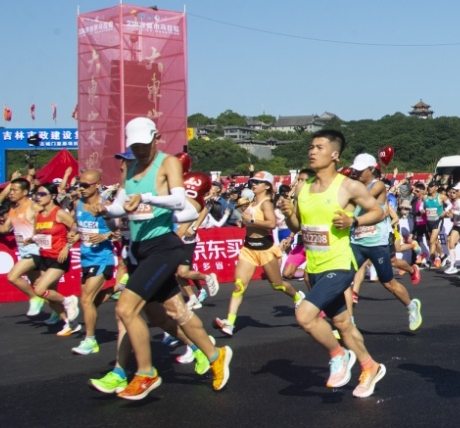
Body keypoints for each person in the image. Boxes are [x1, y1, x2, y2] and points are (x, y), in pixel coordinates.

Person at [104, 117, 231, 400]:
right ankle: (214, 354)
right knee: (172, 313)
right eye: (133, 145)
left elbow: (178, 202)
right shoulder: (130, 167)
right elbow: (119, 206)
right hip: (138, 248)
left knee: (126, 310)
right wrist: (104, 211)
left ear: (155, 137)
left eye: (143, 144)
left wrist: (146, 199)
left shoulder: (168, 163)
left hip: (163, 246)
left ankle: (144, 373)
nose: (138, 150)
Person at [280, 130, 389, 398]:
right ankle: (370, 366)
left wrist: (355, 221)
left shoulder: (348, 186)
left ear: (334, 155)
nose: (312, 151)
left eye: (319, 147)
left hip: (340, 264)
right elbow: (299, 227)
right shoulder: (304, 188)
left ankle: (338, 355)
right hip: (314, 268)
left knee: (304, 315)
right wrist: (289, 214)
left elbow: (379, 211)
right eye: (311, 146)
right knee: (343, 323)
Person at [213, 171, 303, 336]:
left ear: (267, 186)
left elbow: (271, 223)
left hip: (265, 249)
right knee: (238, 285)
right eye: (252, 181)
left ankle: (297, 297)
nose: (253, 184)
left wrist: (252, 221)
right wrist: (243, 222)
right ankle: (230, 323)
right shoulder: (252, 201)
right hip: (248, 249)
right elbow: (250, 221)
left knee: (277, 285)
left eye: (257, 182)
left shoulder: (266, 203)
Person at [345, 155, 421, 332]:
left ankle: (411, 307)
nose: (355, 172)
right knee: (343, 281)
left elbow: (362, 199)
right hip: (357, 240)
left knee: (388, 283)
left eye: (360, 169)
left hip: (377, 241)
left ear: (371, 170)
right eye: (354, 169)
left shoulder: (377, 185)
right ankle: (349, 322)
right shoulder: (353, 185)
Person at [69, 170, 119, 354]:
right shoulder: (78, 204)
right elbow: (78, 225)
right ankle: (118, 289)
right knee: (92, 302)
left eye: (85, 185)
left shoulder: (106, 206)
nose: (80, 189)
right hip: (85, 257)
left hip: (102, 258)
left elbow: (119, 232)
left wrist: (105, 235)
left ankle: (90, 340)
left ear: (97, 185)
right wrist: (74, 234)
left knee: (86, 299)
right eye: (79, 185)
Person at [29, 183, 81, 337]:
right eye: (37, 195)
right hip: (45, 256)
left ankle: (68, 301)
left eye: (42, 194)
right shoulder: (38, 215)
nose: (38, 198)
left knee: (39, 289)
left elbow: (75, 227)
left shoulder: (58, 213)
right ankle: (69, 323)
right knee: (49, 297)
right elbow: (37, 233)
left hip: (59, 257)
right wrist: (32, 239)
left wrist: (67, 246)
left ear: (52, 196)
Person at [1, 178, 47, 317]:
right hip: (24, 251)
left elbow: (50, 218)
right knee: (40, 287)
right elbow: (5, 228)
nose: (11, 193)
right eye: (10, 190)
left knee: (13, 276)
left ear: (25, 192)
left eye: (14, 190)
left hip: (36, 250)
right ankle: (65, 307)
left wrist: (36, 234)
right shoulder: (13, 209)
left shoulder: (33, 206)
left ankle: (34, 298)